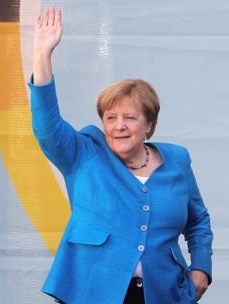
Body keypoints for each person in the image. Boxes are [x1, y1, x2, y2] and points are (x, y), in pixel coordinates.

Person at [29, 6, 212, 304]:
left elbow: (198, 221)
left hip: (163, 293)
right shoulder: (85, 152)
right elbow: (47, 128)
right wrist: (42, 55)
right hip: (93, 292)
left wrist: (201, 268)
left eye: (129, 118)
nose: (119, 127)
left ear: (149, 124)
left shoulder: (177, 160)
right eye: (111, 118)